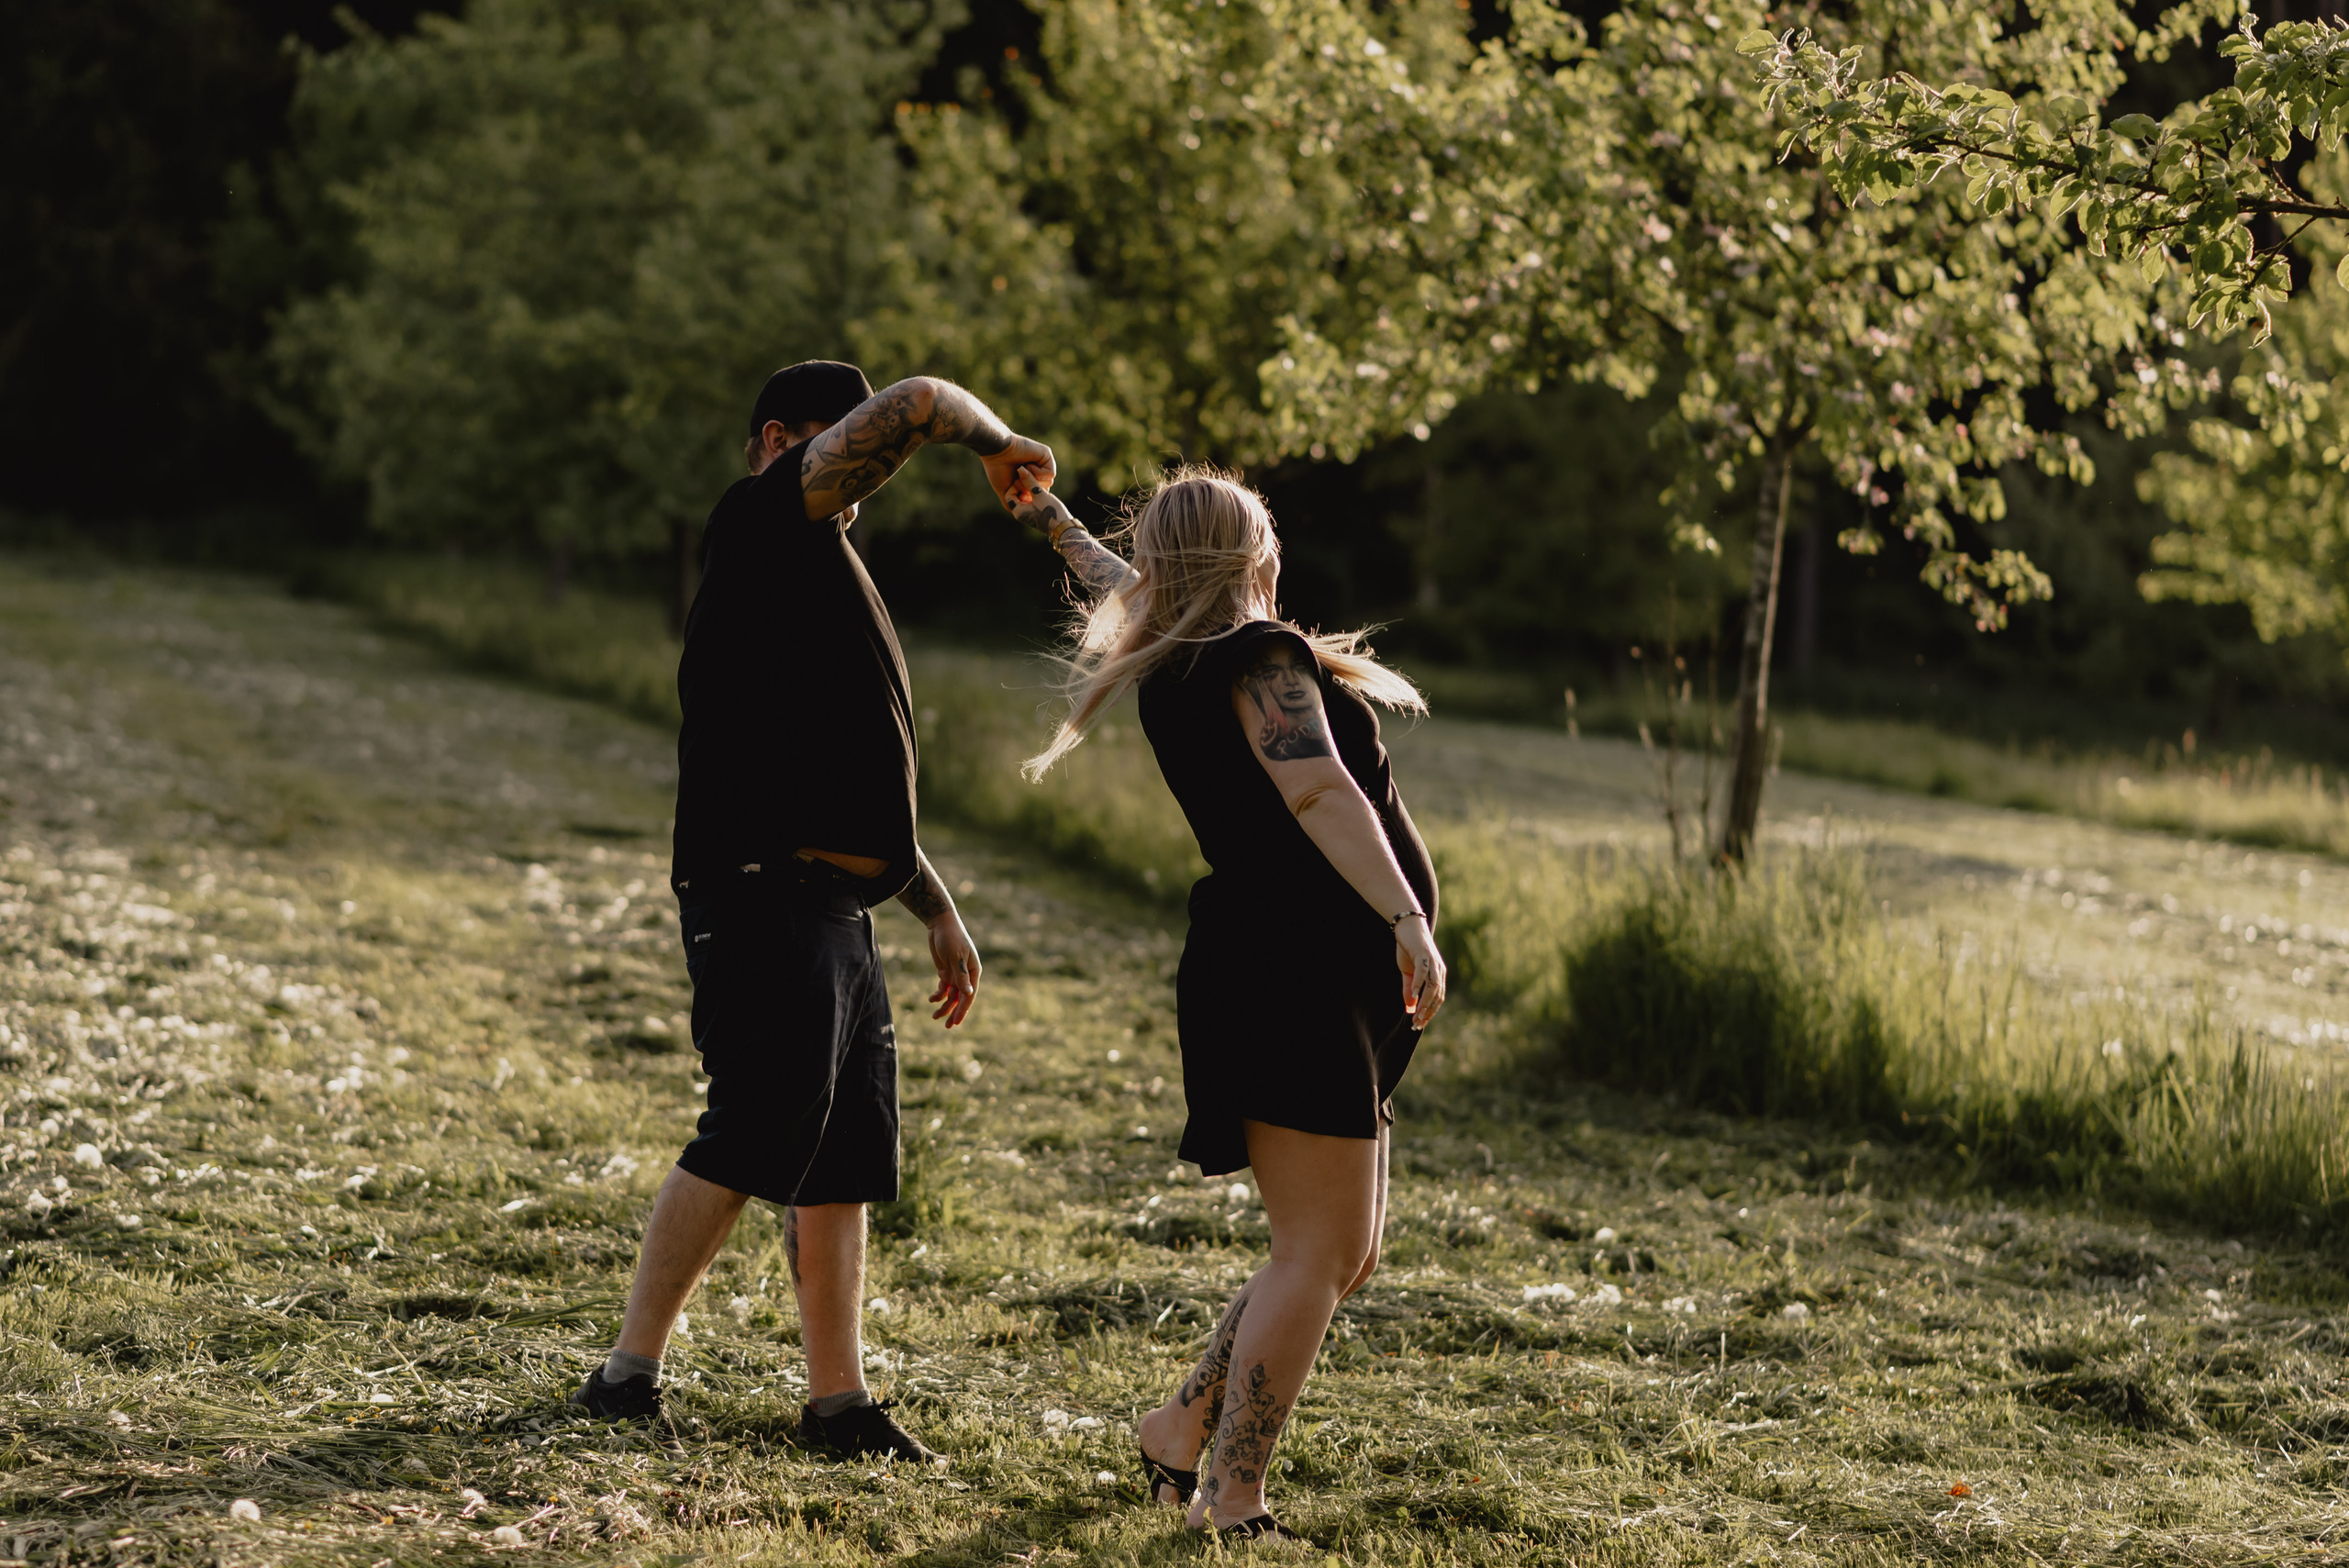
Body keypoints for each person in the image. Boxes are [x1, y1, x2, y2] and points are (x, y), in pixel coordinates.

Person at [571, 361, 1054, 1465]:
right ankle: (625, 1373)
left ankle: (837, 1401)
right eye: (845, 444)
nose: (867, 468)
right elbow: (921, 401)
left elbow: (845, 765)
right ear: (776, 440)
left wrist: (932, 900)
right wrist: (994, 441)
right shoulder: (758, 523)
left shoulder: (827, 564)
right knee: (754, 1124)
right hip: (757, 887)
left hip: (837, 900)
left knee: (844, 1152)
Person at [1014, 465, 1446, 1538]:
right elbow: (1315, 787)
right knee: (1316, 1252)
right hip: (1290, 971)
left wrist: (1056, 524)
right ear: (1252, 551)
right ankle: (1230, 1494)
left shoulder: (1178, 650)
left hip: (1294, 973)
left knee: (1343, 1251)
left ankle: (1180, 1427)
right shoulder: (1257, 660)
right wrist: (1408, 918)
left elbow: (1130, 582)